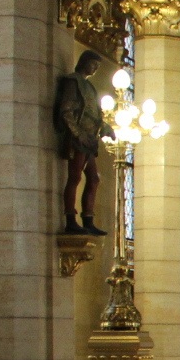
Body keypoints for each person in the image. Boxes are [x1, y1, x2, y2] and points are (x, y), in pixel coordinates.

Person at [56, 50, 110, 236]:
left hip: (90, 139)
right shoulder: (73, 81)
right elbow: (66, 110)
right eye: (93, 64)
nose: (95, 69)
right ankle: (70, 219)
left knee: (94, 179)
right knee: (75, 177)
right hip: (79, 138)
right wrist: (78, 134)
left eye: (97, 66)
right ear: (84, 62)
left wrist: (105, 127)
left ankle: (88, 220)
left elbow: (94, 114)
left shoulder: (89, 86)